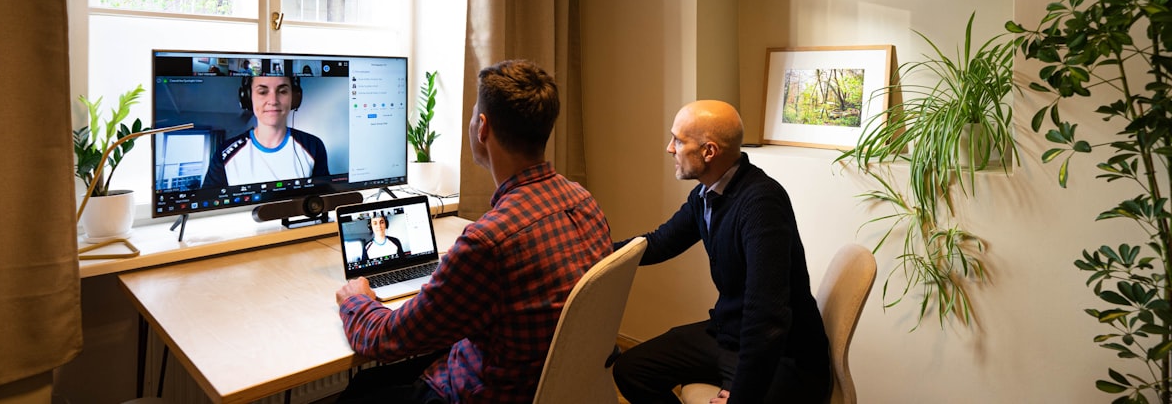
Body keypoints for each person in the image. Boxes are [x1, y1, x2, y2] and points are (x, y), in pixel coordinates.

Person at [334, 59, 612, 404]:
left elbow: (387, 339)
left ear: (483, 127)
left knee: (359, 391)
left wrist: (356, 299)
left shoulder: (488, 242)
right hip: (547, 384)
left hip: (481, 392)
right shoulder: (583, 200)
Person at [611, 100, 832, 404]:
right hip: (729, 334)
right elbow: (660, 242)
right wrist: (590, 253)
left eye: (678, 140)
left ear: (709, 151)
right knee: (631, 370)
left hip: (783, 355)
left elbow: (767, 317)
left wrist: (742, 394)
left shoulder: (761, 204)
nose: (669, 149)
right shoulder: (705, 195)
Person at [203, 75, 329, 188]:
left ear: (294, 97)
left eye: (283, 91)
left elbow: (322, 200)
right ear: (248, 97)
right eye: (263, 92)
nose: (273, 101)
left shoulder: (314, 145)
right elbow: (209, 207)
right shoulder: (224, 153)